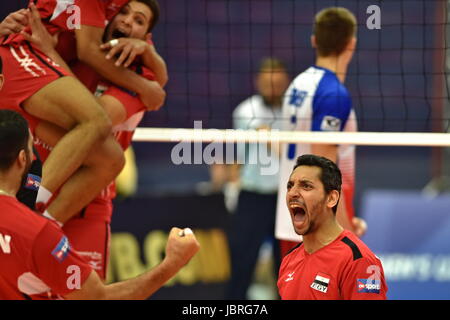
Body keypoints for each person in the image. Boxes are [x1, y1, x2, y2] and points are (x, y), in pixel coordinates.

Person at [19, 0, 166, 279]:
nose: (126, 22)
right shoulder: (78, 49)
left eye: (138, 20)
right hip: (40, 178)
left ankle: (42, 228)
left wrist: (50, 55)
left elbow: (96, 119)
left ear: (145, 37)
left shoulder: (141, 77)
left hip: (88, 200)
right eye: (122, 12)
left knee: (81, 291)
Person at [0, 109, 200, 299]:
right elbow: (98, 298)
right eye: (31, 149)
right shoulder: (39, 233)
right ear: (22, 159)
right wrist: (173, 263)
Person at [275, 7, 367, 257]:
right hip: (319, 228)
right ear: (351, 43)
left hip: (293, 222)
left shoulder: (298, 84)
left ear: (314, 40)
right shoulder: (332, 93)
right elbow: (323, 168)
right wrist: (344, 230)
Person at [224, 57, 290, 299]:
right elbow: (240, 154)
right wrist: (232, 186)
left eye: (277, 83)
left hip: (285, 199)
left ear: (285, 83)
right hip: (252, 196)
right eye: (267, 83)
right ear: (257, 82)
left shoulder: (293, 111)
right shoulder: (245, 111)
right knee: (242, 262)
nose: (272, 88)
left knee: (285, 266)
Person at [277, 154, 387, 300]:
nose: (293, 193)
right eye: (290, 186)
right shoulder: (289, 260)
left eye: (306, 186)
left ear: (331, 198)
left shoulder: (359, 261)